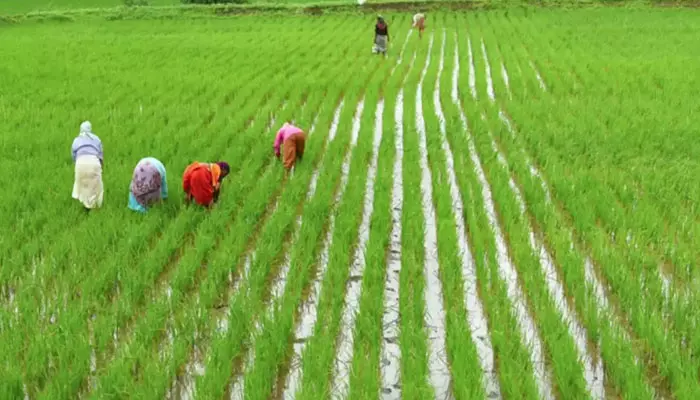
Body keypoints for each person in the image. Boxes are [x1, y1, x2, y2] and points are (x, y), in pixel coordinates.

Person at [71, 121, 104, 212]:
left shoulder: (76, 140)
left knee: (83, 184)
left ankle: (86, 206)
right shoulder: (96, 139)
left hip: (80, 163)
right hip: (94, 162)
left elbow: (74, 156)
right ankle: (96, 206)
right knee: (96, 185)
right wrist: (101, 167)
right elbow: (101, 155)